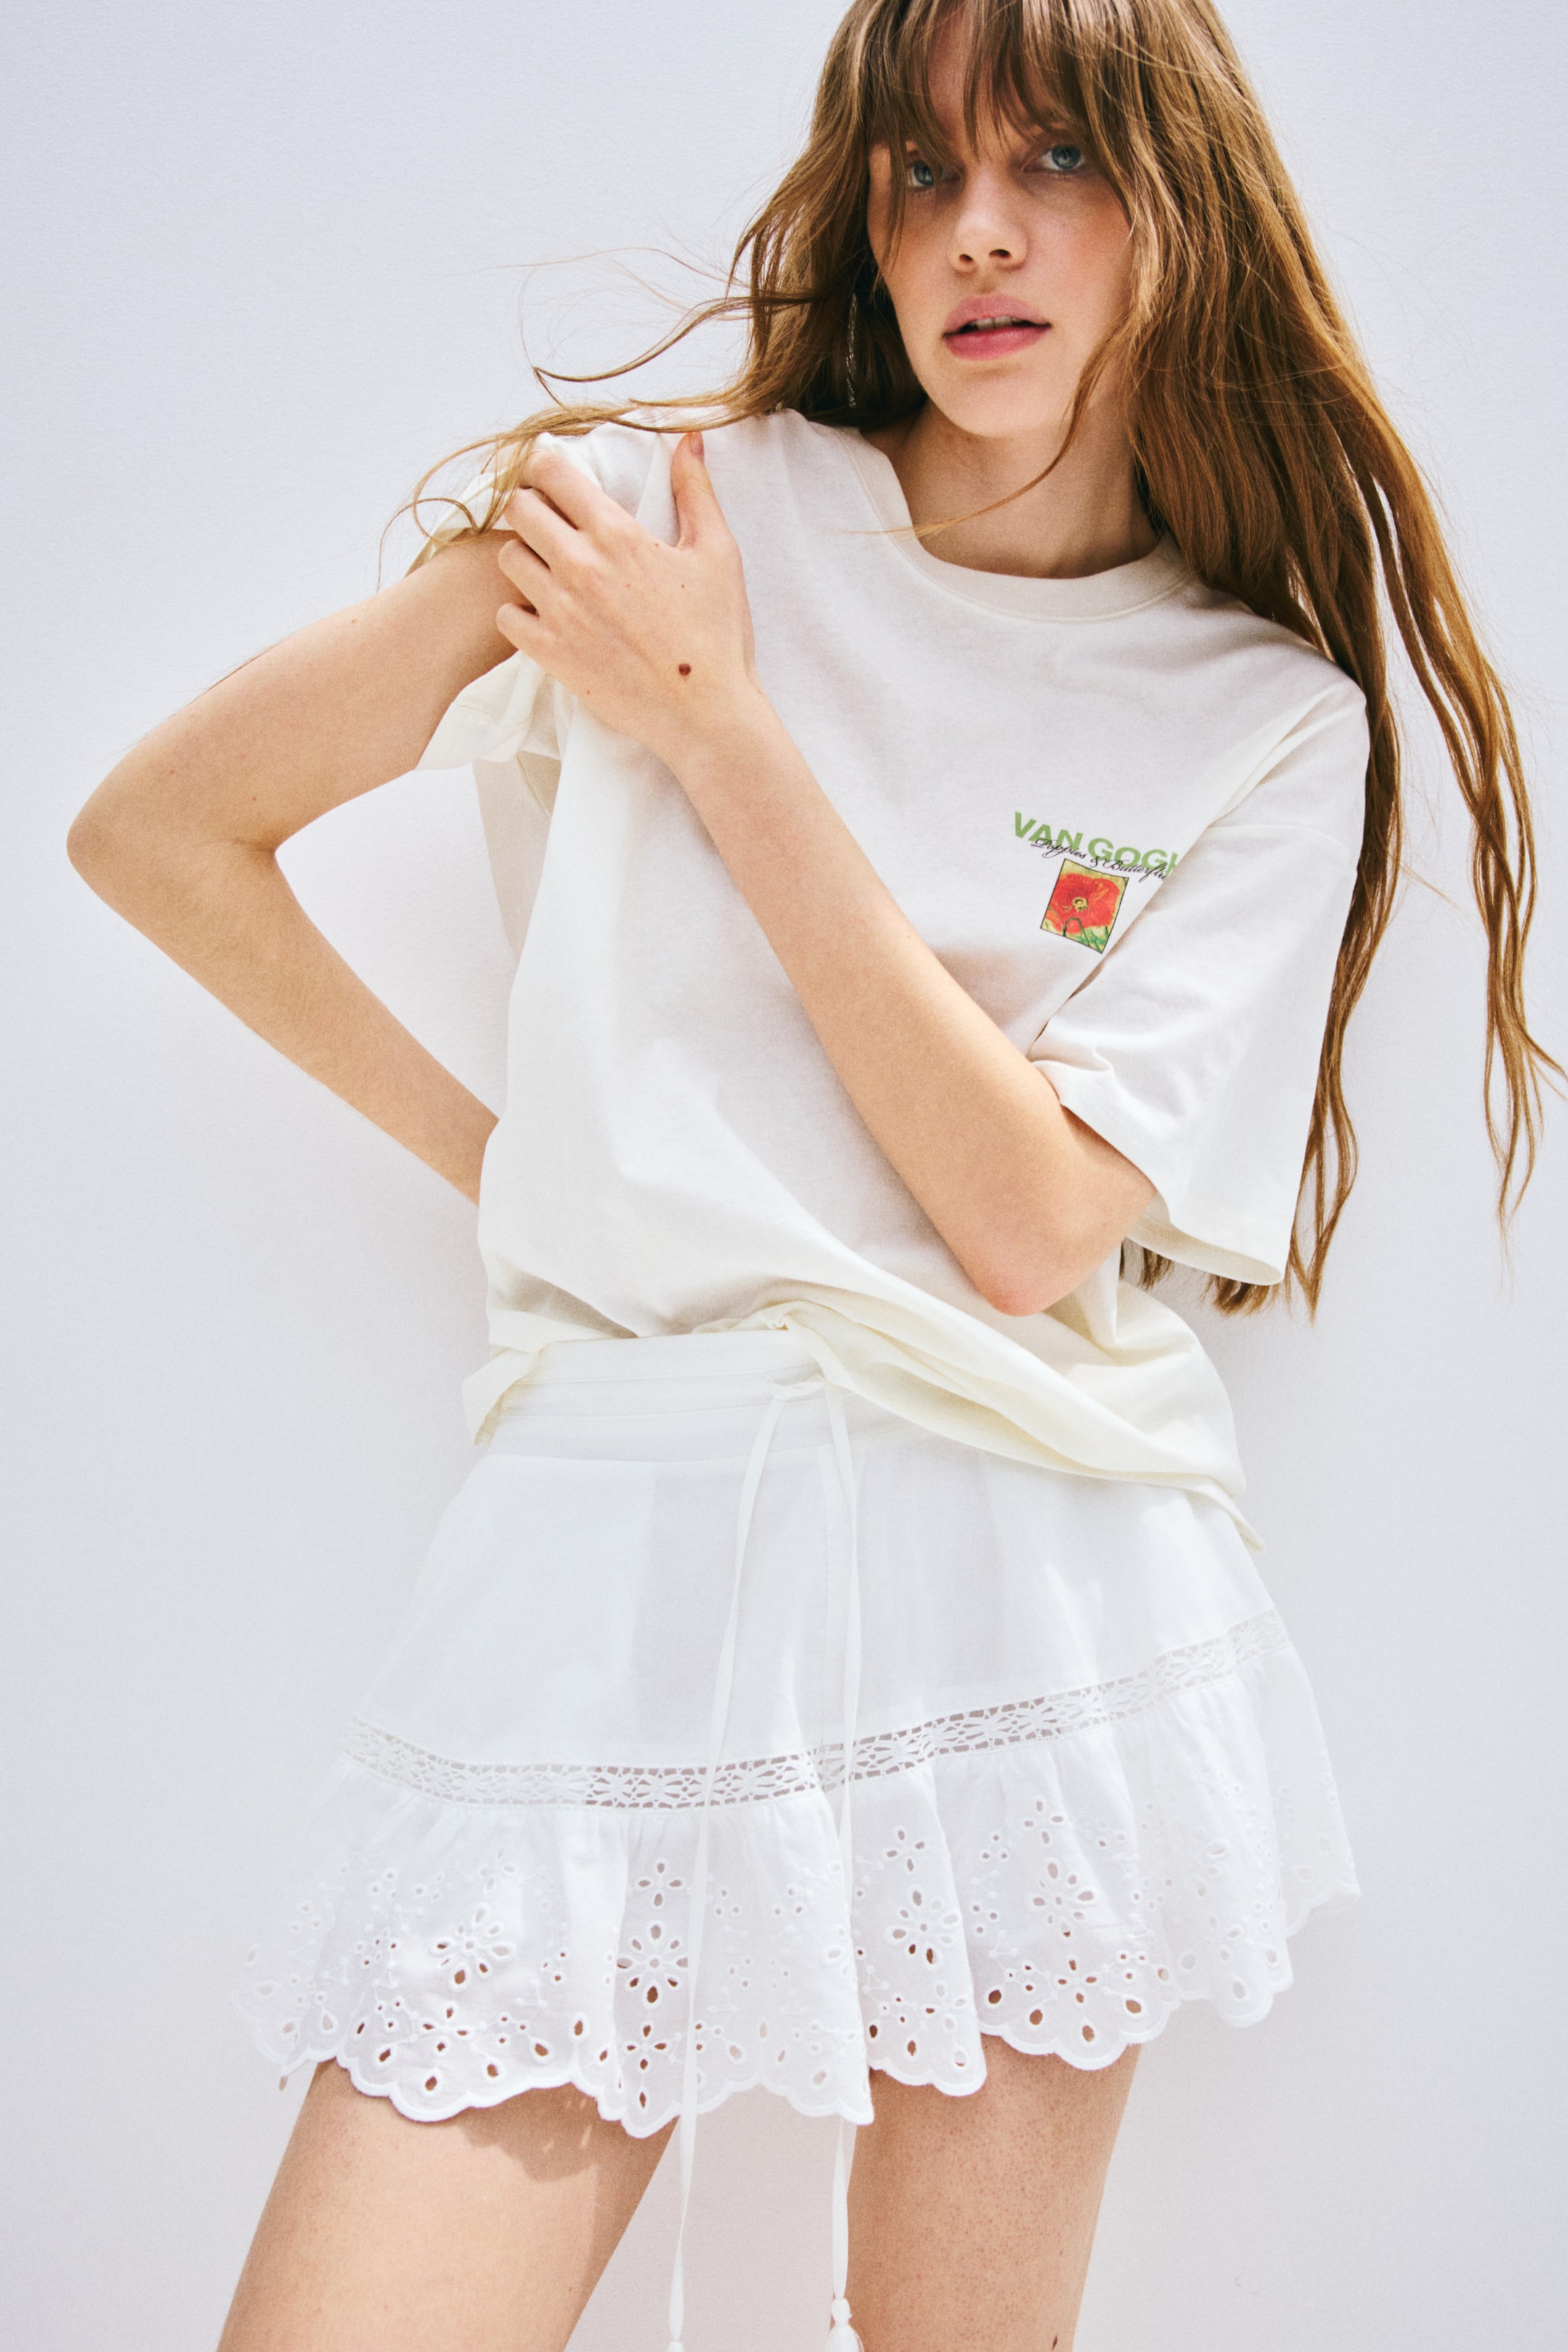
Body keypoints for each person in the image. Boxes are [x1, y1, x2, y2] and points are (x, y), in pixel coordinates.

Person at [67, 1, 1556, 2347]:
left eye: (1055, 160)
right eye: (921, 169)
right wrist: (523, 1169)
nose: (980, 233)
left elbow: (1032, 1224)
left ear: (1184, 208)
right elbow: (159, 831)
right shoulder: (662, 518)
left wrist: (720, 731)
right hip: (606, 1553)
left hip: (1038, 1573)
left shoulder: (1266, 725)